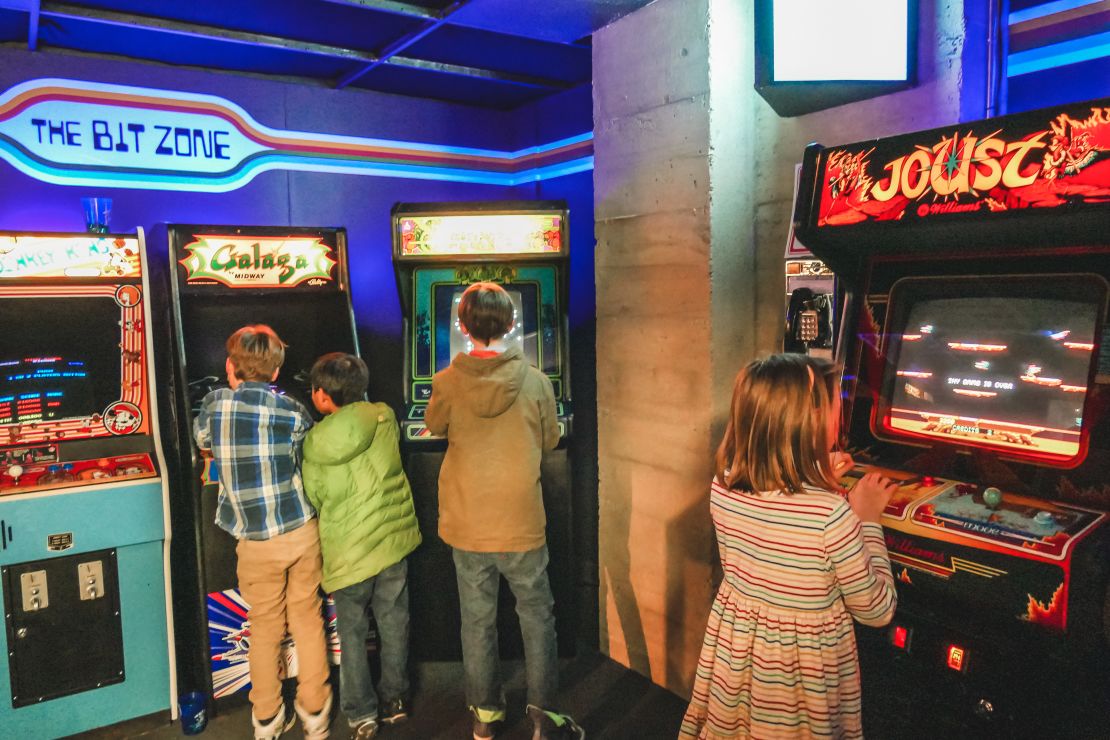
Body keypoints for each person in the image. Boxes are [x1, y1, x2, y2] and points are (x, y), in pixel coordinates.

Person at [679, 353, 898, 739]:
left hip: (740, 659)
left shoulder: (724, 485)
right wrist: (867, 519)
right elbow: (876, 610)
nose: (840, 413)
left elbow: (777, 512)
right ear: (810, 421)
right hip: (800, 678)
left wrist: (816, 477)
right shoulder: (832, 515)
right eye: (835, 404)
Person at [424, 282, 584, 740]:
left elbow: (433, 423)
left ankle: (485, 717)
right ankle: (544, 720)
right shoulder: (536, 381)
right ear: (513, 324)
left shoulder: (446, 381)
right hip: (521, 522)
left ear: (463, 324)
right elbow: (551, 439)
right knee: (537, 617)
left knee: (477, 620)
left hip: (467, 523)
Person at [193, 325, 331, 740]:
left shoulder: (215, 404)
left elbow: (203, 440)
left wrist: (233, 383)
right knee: (307, 618)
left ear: (231, 365)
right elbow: (306, 453)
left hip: (254, 540)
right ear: (275, 373)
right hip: (300, 530)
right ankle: (315, 715)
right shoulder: (292, 409)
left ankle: (268, 718)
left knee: (265, 626)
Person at [301, 353, 422, 740]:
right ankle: (396, 699)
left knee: (352, 633)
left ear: (321, 397)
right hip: (391, 543)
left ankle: (361, 713)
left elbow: (315, 495)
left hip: (348, 552)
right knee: (394, 621)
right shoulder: (383, 417)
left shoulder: (314, 441)